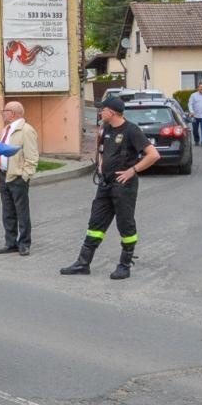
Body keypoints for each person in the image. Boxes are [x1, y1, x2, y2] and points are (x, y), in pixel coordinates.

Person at [60, 94, 160, 280]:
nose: (100, 112)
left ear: (111, 112)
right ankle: (83, 263)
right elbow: (101, 151)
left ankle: (124, 265)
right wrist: (100, 165)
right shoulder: (105, 128)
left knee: (125, 224)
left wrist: (132, 170)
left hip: (124, 186)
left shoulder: (131, 130)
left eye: (103, 109)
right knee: (95, 223)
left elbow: (153, 155)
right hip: (105, 185)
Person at [0, 101, 39, 256]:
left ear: (12, 113)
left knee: (21, 211)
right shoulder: (6, 129)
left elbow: (32, 157)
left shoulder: (26, 130)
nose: (2, 113)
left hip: (18, 177)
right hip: (4, 175)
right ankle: (10, 242)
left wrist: (25, 175)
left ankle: (24, 243)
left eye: (4, 111)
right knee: (8, 211)